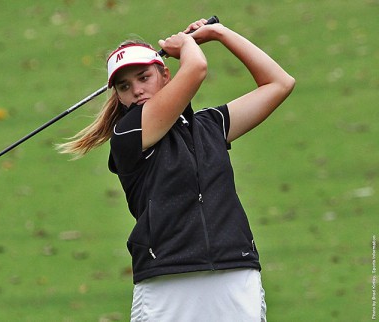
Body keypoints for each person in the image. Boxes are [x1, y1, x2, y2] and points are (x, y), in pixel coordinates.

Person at [57, 18, 295, 321]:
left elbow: (279, 83)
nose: (137, 91)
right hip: (168, 280)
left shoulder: (210, 126)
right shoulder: (129, 132)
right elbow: (196, 69)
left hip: (234, 272)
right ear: (117, 95)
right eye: (124, 86)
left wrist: (221, 34)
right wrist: (187, 44)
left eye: (144, 77)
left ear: (164, 75)